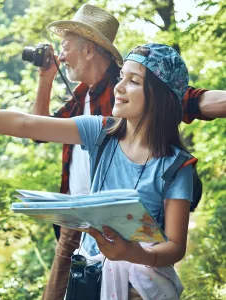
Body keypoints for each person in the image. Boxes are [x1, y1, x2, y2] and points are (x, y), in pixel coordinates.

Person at [0, 42, 205, 299]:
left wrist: (134, 254)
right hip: (89, 277)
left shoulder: (176, 166)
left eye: (133, 81)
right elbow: (24, 124)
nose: (119, 87)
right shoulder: (101, 132)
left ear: (161, 97)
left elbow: (176, 248)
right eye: (121, 76)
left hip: (141, 289)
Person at [32, 4, 226, 299]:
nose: (60, 55)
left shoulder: (125, 89)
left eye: (65, 47)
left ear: (88, 50)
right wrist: (45, 79)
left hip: (121, 225)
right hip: (77, 220)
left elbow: (186, 97)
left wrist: (197, 100)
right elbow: (37, 129)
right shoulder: (81, 96)